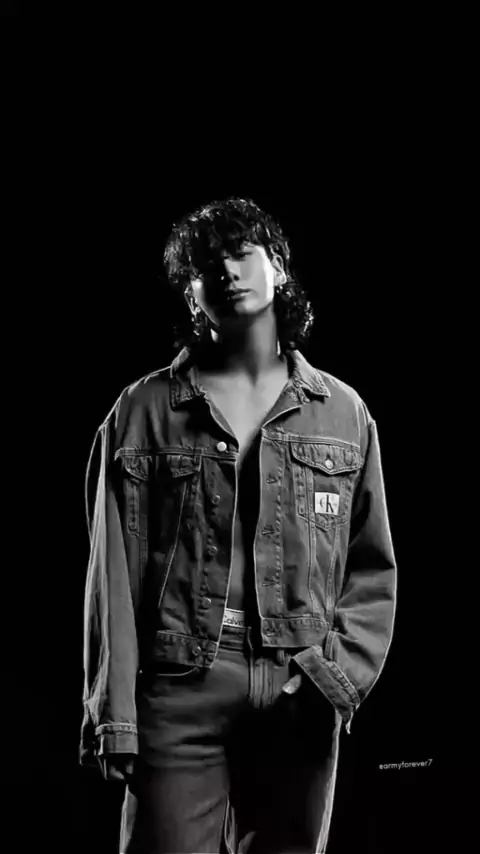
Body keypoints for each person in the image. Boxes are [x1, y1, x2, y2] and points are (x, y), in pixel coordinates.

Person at [80, 197, 397, 854]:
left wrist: (332, 678)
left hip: (298, 687)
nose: (225, 270)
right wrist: (115, 715)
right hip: (178, 687)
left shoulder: (343, 413)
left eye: (241, 253)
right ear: (191, 295)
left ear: (277, 266)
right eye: (206, 265)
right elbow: (110, 579)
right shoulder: (142, 411)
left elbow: (372, 569)